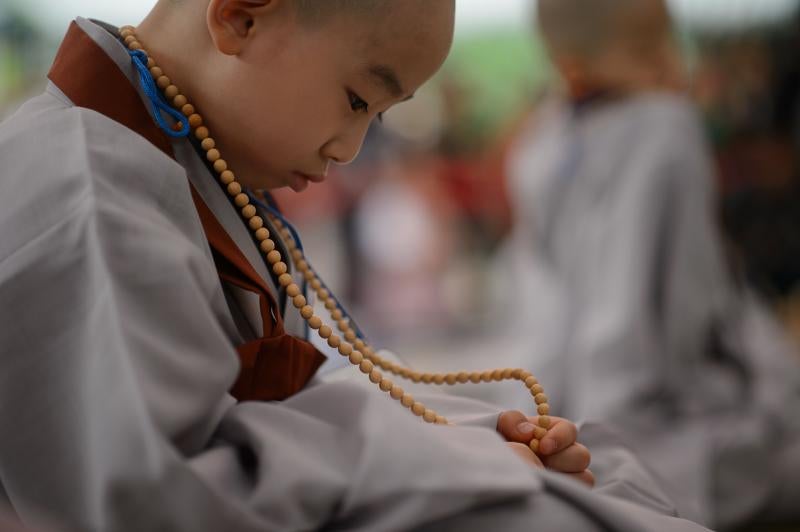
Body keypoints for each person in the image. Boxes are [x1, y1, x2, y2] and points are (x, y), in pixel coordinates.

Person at [0, 1, 710, 530]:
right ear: (241, 15)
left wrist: (467, 438)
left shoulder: (183, 155)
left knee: (606, 470)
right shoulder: (86, 198)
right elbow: (157, 502)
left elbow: (301, 384)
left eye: (380, 114)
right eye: (356, 99)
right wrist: (449, 464)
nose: (349, 148)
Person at [500, 0, 800, 528]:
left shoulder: (538, 142)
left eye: (669, 40)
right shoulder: (667, 128)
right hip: (663, 415)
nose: (669, 63)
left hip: (561, 402)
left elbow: (539, 291)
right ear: (574, 66)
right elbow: (690, 304)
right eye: (646, 49)